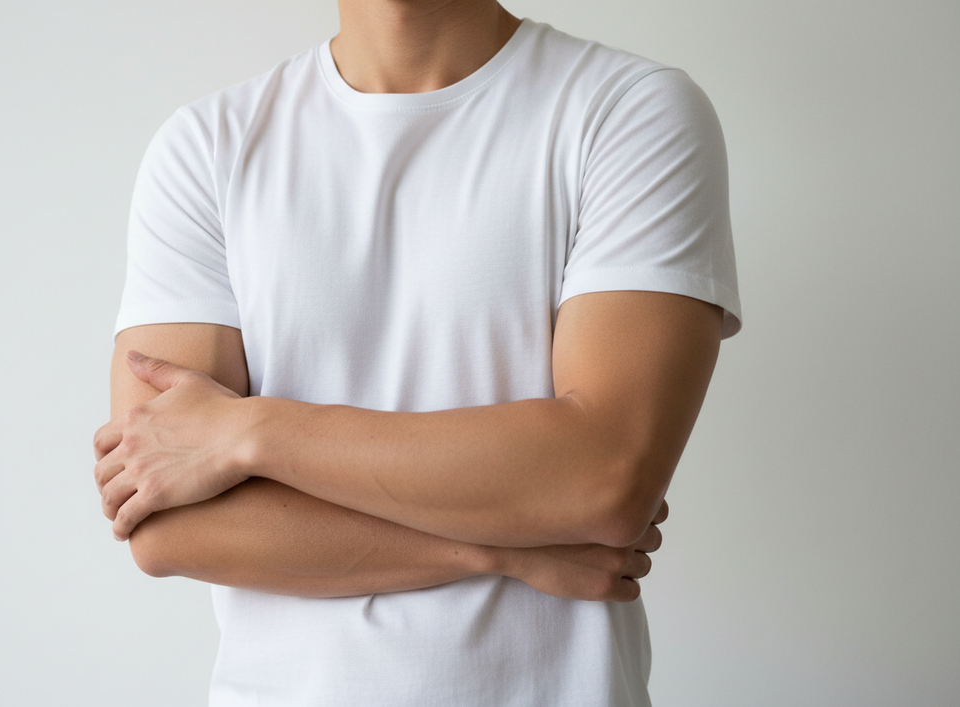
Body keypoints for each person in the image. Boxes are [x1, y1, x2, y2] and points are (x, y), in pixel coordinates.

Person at [93, 1, 741, 704]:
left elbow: (604, 478)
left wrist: (248, 431)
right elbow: (166, 524)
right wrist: (499, 546)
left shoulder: (628, 112)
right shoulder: (206, 148)